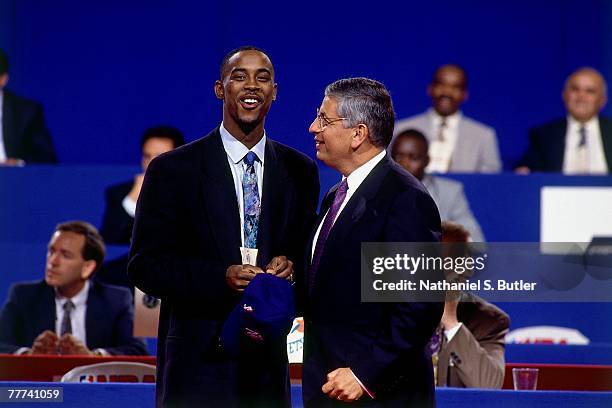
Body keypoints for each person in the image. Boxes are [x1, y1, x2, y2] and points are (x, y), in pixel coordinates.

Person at [128, 46, 320, 407]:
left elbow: (306, 255)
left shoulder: (300, 171)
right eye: (239, 76)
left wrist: (291, 267)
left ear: (274, 92)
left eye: (262, 78)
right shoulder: (173, 170)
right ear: (220, 89)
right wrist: (221, 276)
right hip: (196, 365)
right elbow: (145, 266)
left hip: (265, 365)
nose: (252, 86)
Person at [302, 77, 443, 406]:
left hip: (378, 394)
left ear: (358, 133)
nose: (313, 128)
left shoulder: (404, 199)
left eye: (324, 119)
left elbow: (418, 307)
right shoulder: (335, 196)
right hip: (328, 387)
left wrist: (364, 374)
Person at [0, 221, 147, 356]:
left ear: (87, 268)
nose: (52, 261)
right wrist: (29, 355)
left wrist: (92, 357)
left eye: (65, 255)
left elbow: (137, 349)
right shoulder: (24, 296)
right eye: (51, 251)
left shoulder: (115, 300)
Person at [430, 221, 509, 388]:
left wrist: (451, 323)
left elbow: (489, 386)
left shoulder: (488, 320)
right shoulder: (390, 311)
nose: (468, 271)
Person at [393, 64, 501, 173]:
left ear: (465, 94)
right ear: (430, 89)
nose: (447, 92)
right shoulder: (400, 129)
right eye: (441, 85)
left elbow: (489, 182)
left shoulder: (484, 136)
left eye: (456, 87)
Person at [391, 129, 485, 242]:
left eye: (413, 158)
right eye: (399, 157)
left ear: (427, 161)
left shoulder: (450, 192)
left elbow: (476, 240)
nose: (404, 164)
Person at [99, 125, 185, 245]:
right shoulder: (120, 193)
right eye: (147, 156)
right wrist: (132, 201)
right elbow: (111, 240)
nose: (152, 163)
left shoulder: (198, 191)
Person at [516, 67, 611, 174]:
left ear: (602, 100)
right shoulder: (544, 135)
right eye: (575, 89)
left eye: (590, 91)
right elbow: (524, 171)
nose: (581, 97)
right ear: (565, 95)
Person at [0, 48, 57, 165]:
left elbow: (46, 158)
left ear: (3, 79)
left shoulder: (26, 112)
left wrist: (19, 163)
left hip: (12, 180)